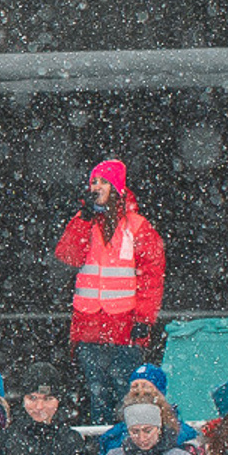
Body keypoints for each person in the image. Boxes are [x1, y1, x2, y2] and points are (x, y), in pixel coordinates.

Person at [53, 157, 164, 423]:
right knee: (95, 400)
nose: (96, 187)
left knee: (125, 399)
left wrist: (144, 319)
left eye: (103, 181)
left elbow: (152, 276)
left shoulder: (137, 226)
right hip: (88, 326)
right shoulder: (85, 221)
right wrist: (82, 219)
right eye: (93, 182)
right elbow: (67, 256)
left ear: (116, 188)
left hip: (125, 327)